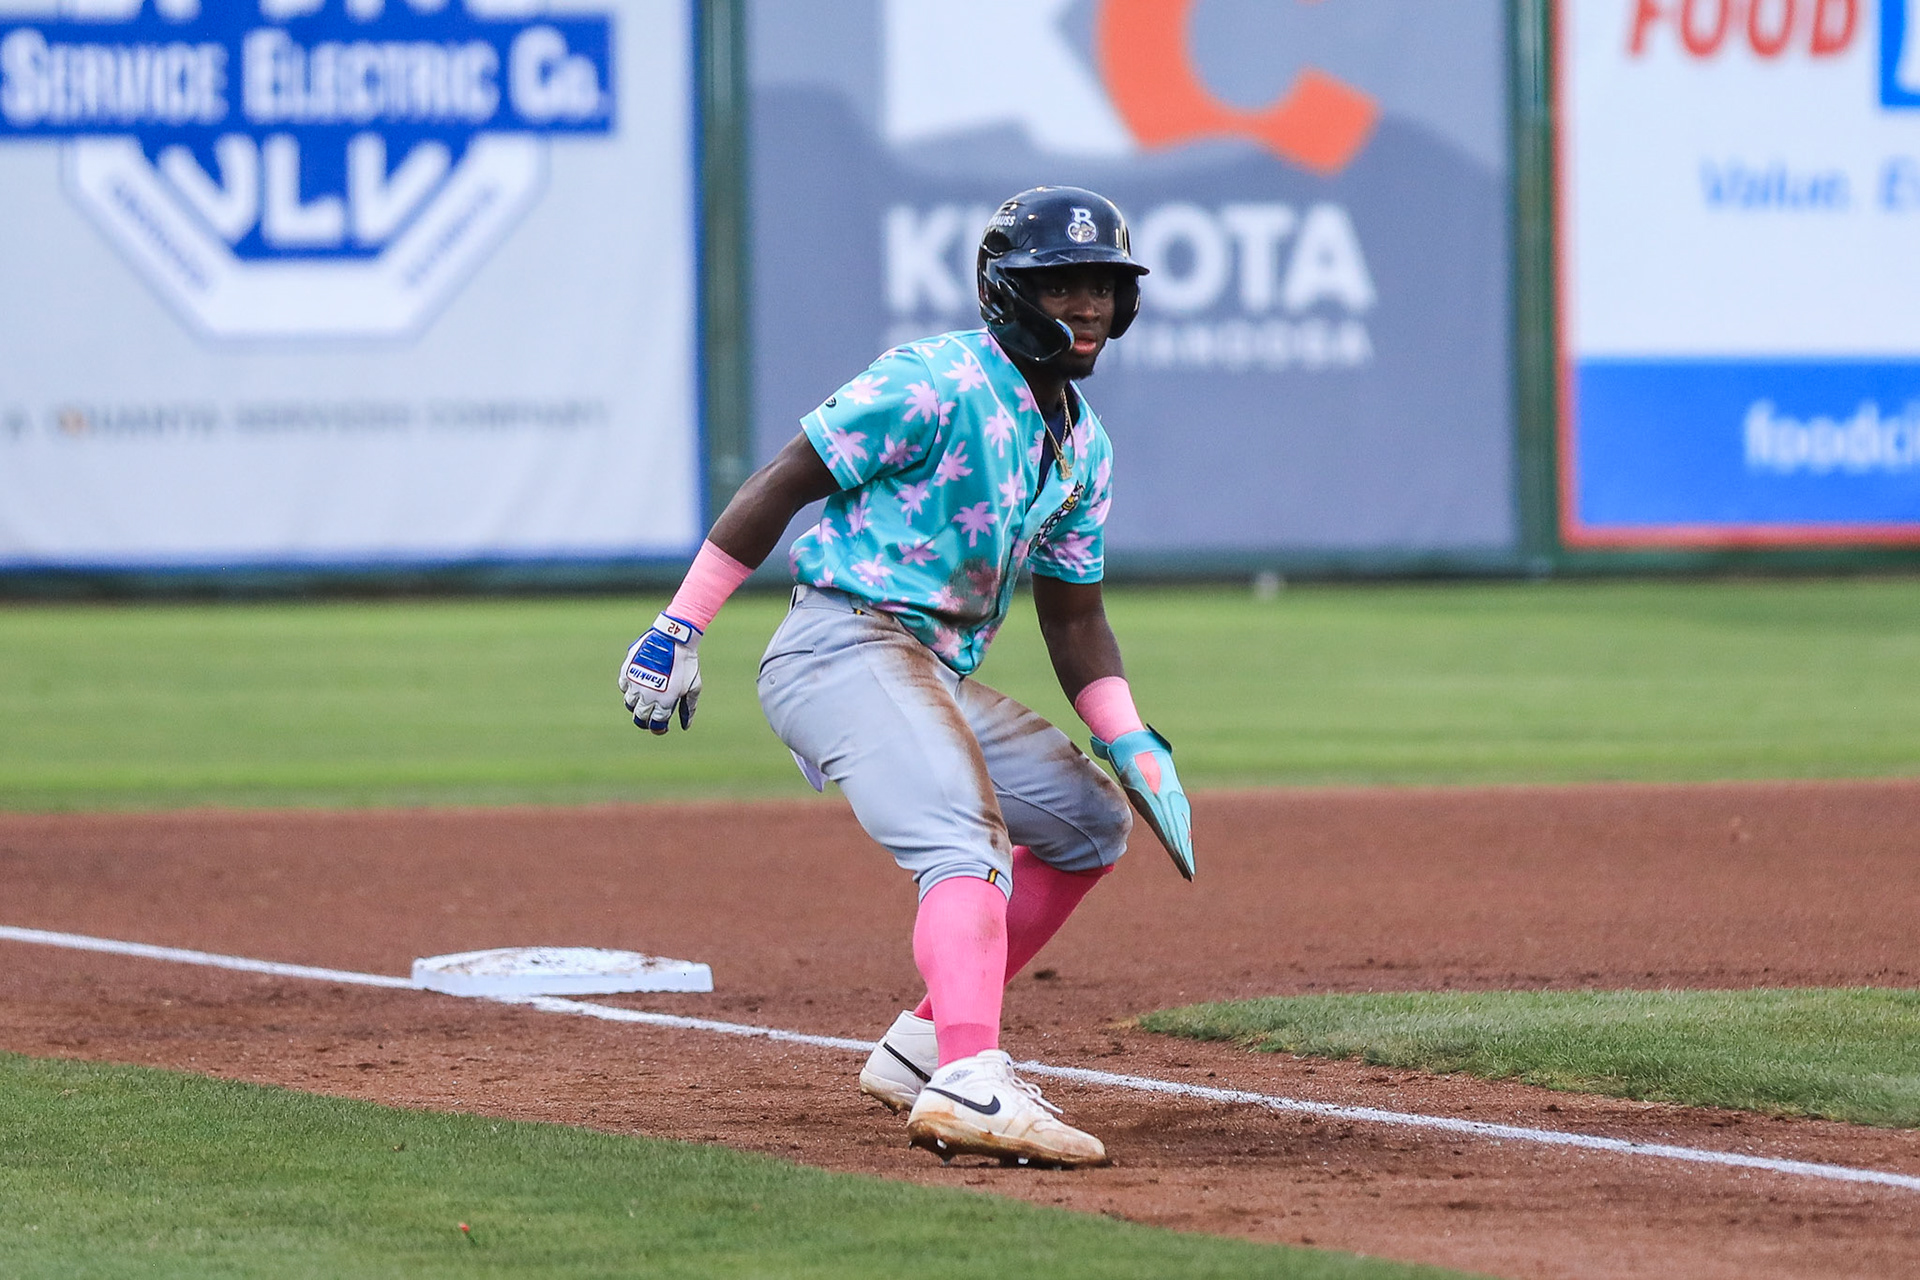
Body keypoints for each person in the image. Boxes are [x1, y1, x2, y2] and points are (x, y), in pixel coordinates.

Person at [618, 186, 1193, 1169]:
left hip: (924, 666)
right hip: (837, 645)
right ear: (1008, 291)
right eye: (1064, 281)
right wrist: (680, 625)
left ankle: (921, 1048)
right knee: (963, 838)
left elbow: (1075, 613)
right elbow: (788, 478)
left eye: (1103, 283)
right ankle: (972, 1077)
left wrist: (1129, 731)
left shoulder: (1082, 444)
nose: (1089, 302)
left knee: (1087, 820)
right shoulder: (936, 380)